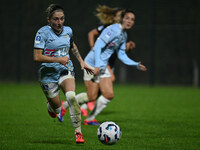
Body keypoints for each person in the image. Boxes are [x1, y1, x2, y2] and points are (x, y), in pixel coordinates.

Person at [33, 4, 93, 143]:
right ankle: (51, 106)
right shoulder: (42, 33)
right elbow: (37, 57)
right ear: (49, 20)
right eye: (56, 19)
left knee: (71, 96)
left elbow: (72, 45)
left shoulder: (68, 31)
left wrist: (81, 61)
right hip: (47, 75)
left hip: (65, 69)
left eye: (62, 19)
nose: (59, 22)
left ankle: (78, 133)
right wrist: (58, 59)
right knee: (57, 110)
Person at [82, 9, 147, 125]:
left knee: (108, 94)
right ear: (122, 19)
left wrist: (135, 64)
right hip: (92, 63)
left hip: (101, 65)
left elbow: (122, 54)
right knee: (91, 96)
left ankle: (90, 118)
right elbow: (97, 47)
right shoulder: (114, 29)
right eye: (127, 18)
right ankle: (65, 104)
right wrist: (97, 66)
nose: (129, 21)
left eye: (132, 19)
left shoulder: (123, 34)